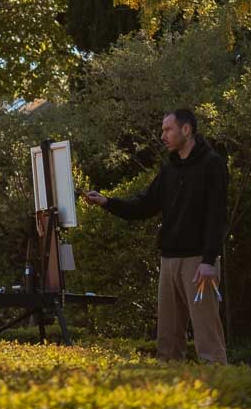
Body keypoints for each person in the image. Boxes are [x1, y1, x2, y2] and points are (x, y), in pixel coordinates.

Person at [84, 107, 228, 363]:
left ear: (186, 129)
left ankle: (220, 384)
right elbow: (145, 205)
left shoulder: (212, 164)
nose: (163, 136)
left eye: (167, 130)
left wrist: (208, 260)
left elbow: (217, 216)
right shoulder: (169, 168)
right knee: (167, 343)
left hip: (199, 264)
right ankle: (168, 386)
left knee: (208, 340)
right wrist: (107, 202)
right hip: (168, 261)